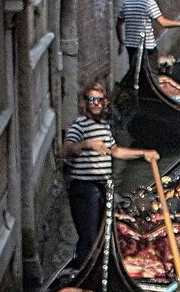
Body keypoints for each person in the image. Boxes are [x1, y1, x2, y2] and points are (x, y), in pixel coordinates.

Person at [57, 81, 158, 250]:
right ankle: (84, 268)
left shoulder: (104, 127)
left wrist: (143, 153)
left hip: (102, 188)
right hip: (84, 189)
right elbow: (65, 150)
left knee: (101, 236)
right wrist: (87, 144)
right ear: (85, 102)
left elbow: (116, 151)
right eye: (92, 100)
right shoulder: (79, 125)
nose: (96, 104)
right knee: (89, 238)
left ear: (105, 103)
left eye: (99, 100)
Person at [117, 0, 180, 90]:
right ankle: (153, 93)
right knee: (152, 74)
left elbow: (119, 24)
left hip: (131, 45)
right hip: (147, 47)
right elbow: (162, 22)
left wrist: (121, 42)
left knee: (136, 73)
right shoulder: (149, 2)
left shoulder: (126, 3)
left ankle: (139, 93)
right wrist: (179, 23)